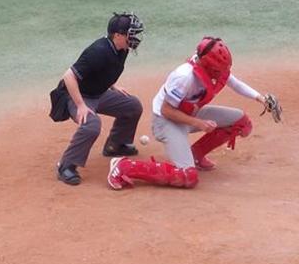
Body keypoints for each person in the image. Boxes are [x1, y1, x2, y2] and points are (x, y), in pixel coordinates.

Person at [107, 36, 275, 189]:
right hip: (166, 122)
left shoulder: (214, 68)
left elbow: (235, 83)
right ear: (207, 64)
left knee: (241, 122)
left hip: (190, 115)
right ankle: (125, 166)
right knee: (187, 177)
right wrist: (199, 124)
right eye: (218, 69)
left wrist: (261, 98)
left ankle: (195, 156)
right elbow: (166, 110)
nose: (221, 73)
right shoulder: (184, 77)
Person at [55, 12, 145, 186]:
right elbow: (68, 76)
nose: (134, 38)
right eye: (131, 34)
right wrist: (80, 105)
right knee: (91, 125)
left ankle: (115, 145)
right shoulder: (98, 51)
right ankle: (66, 166)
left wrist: (112, 85)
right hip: (76, 95)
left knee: (132, 105)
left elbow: (106, 70)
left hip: (98, 93)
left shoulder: (122, 49)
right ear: (118, 35)